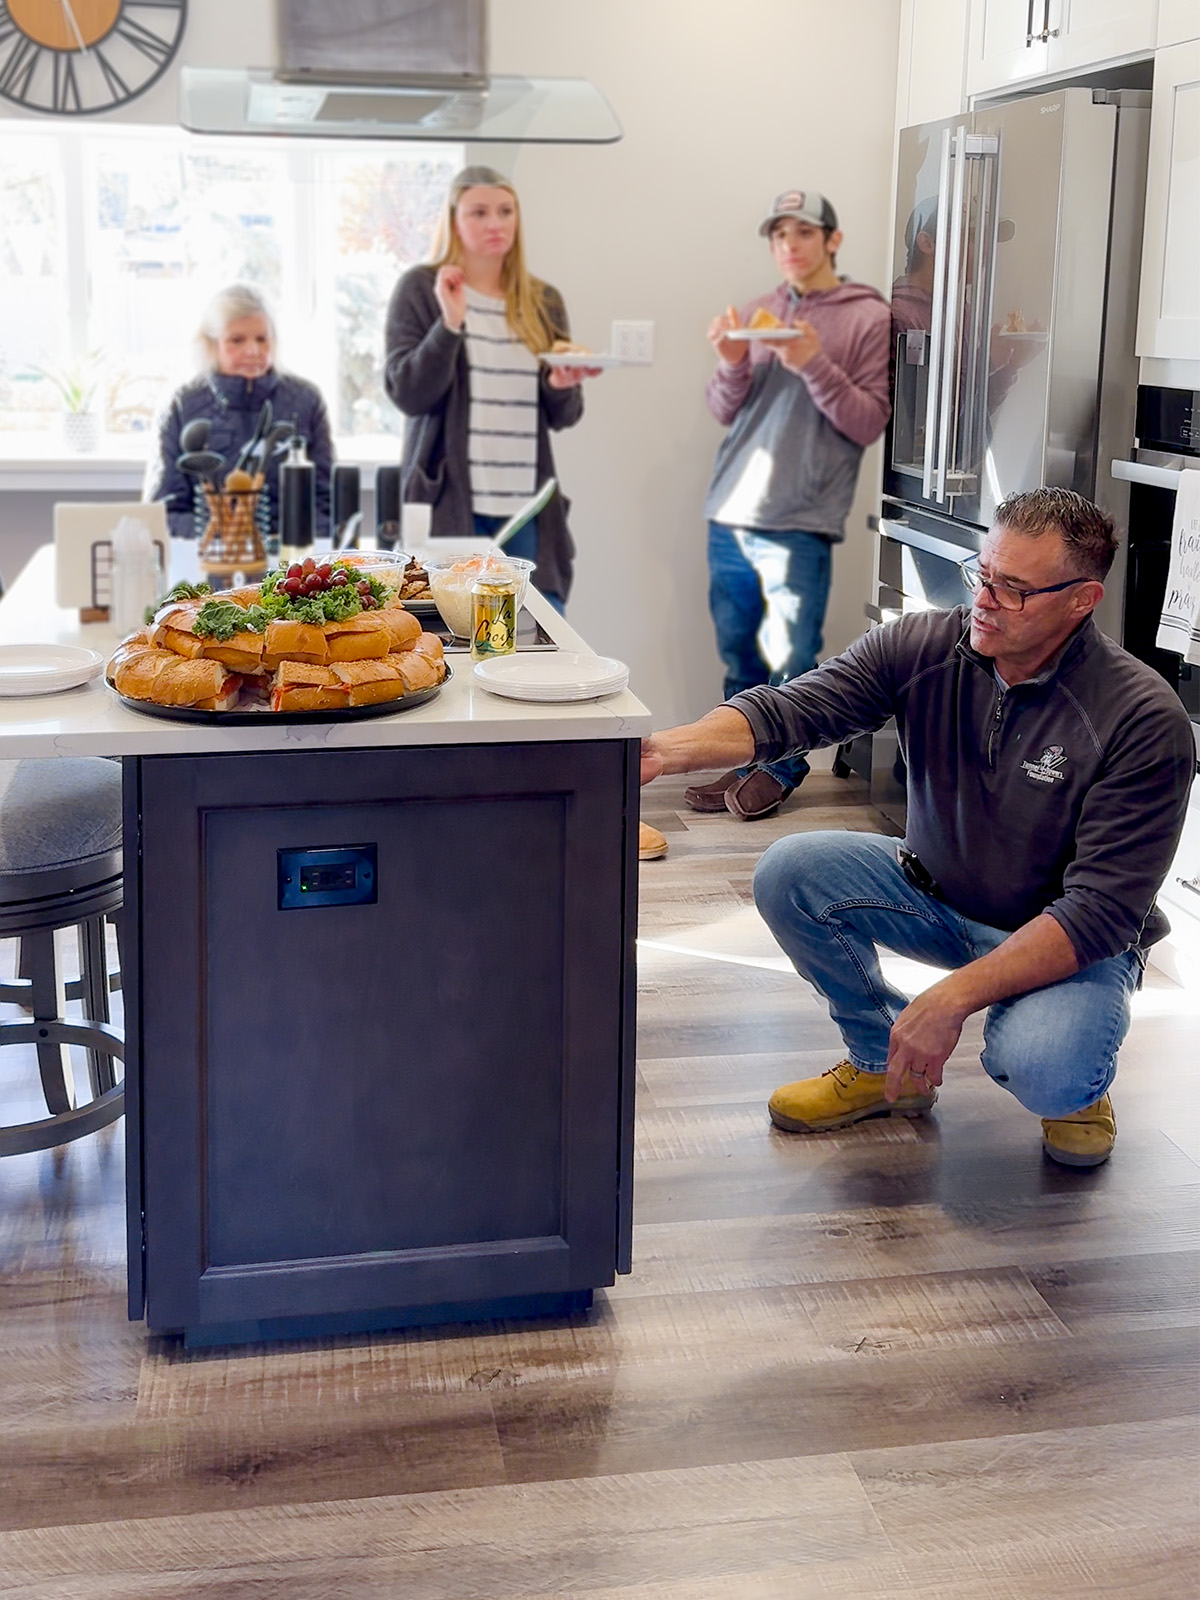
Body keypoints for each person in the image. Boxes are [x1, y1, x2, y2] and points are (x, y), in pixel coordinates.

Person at [641, 489, 1196, 1168]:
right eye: (983, 574)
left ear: (1082, 601)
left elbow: (1099, 916)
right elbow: (793, 710)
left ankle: (1079, 1089)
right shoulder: (927, 646)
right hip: (933, 895)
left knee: (1048, 1068)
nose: (985, 600)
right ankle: (881, 1067)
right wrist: (665, 751)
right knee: (790, 872)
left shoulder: (1142, 719)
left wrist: (948, 1000)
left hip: (1063, 940)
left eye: (1015, 590)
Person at [688, 188, 891, 824]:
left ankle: (782, 765)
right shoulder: (757, 312)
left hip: (801, 516)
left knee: (791, 656)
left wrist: (811, 362)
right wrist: (729, 363)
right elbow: (725, 410)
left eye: (803, 233)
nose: (789, 247)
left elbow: (866, 421)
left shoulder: (868, 318)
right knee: (740, 652)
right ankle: (745, 755)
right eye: (779, 236)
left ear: (832, 240)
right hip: (732, 509)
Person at [383, 165, 599, 613]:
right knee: (458, 637)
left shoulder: (542, 300)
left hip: (529, 506)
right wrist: (450, 323)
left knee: (538, 630)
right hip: (450, 504)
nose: (495, 224)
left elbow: (564, 414)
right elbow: (408, 393)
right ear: (454, 219)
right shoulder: (423, 290)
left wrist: (561, 384)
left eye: (505, 211)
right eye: (479, 212)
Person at [146, 283, 334, 541]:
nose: (252, 351)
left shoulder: (306, 400)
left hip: (293, 563)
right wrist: (225, 540)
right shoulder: (182, 404)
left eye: (261, 339)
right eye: (237, 340)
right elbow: (164, 512)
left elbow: (327, 502)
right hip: (206, 559)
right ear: (212, 345)